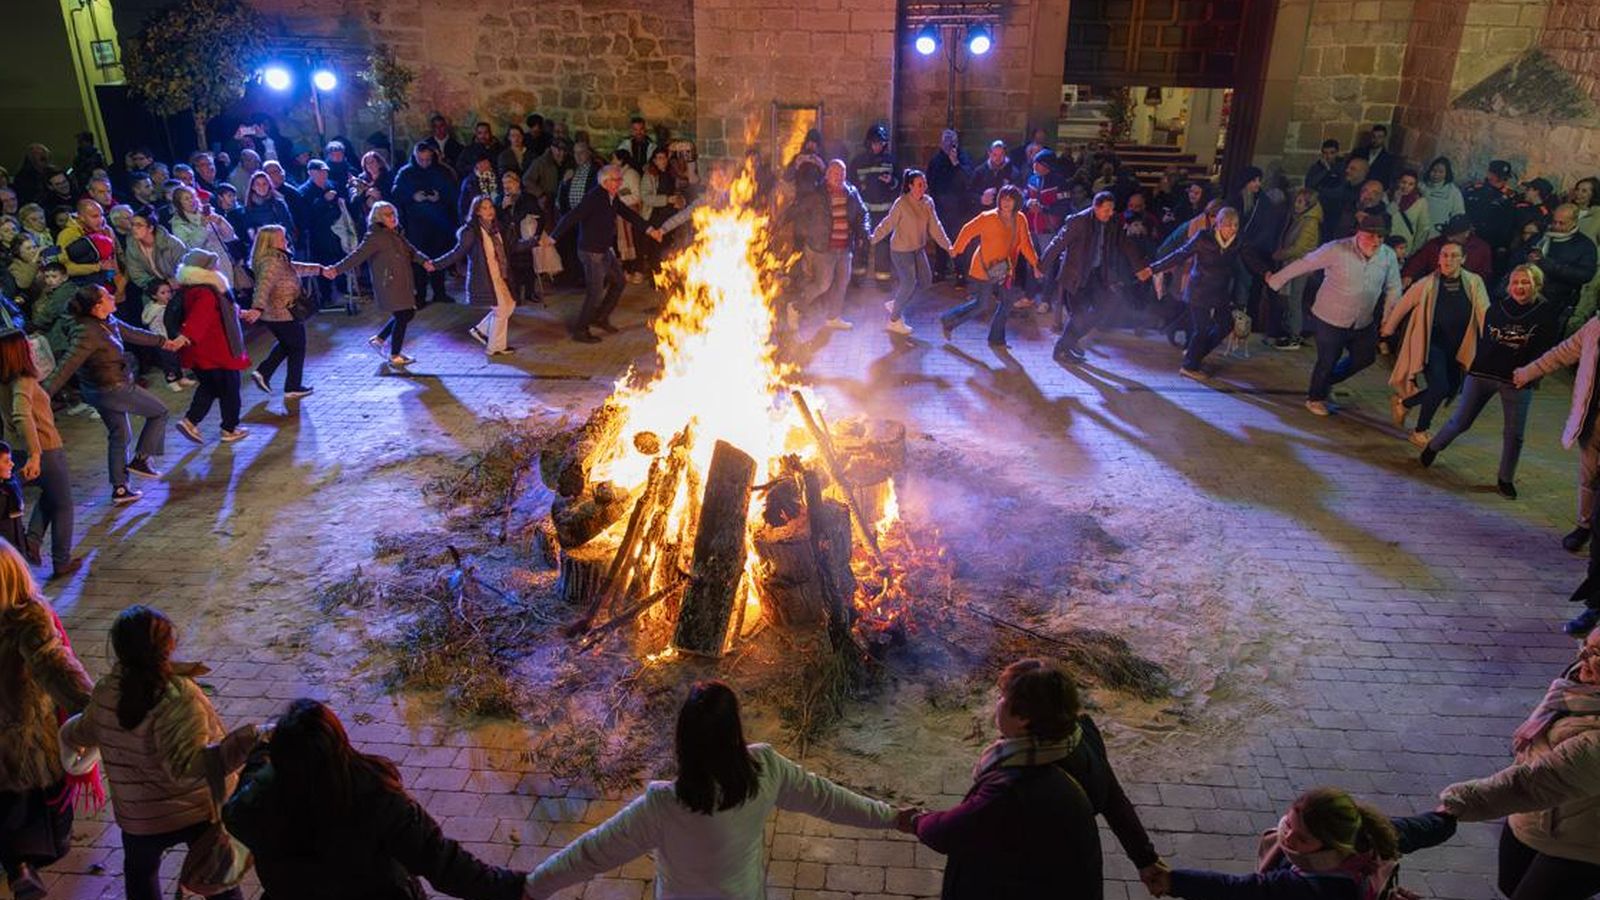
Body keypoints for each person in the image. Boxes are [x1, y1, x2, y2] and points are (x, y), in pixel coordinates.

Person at [525, 681, 906, 897]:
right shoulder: (767, 771)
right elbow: (828, 799)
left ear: (683, 741)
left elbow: (594, 851)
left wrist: (532, 887)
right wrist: (894, 819)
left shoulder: (664, 805)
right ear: (734, 733)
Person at [908, 658, 1167, 898]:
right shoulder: (1080, 736)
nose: (996, 703)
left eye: (1001, 697)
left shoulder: (1014, 786)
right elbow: (1113, 799)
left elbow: (949, 833)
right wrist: (1145, 859)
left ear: (1023, 718)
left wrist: (914, 820)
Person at [221, 698, 526, 899]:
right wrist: (512, 886)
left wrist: (262, 751)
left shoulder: (257, 801)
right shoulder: (376, 797)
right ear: (340, 743)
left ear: (282, 756)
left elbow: (235, 814)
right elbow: (441, 861)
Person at [59, 605, 260, 900]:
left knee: (141, 873)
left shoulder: (105, 692)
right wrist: (250, 741)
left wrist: (69, 736)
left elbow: (83, 732)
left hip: (139, 817)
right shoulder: (182, 694)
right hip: (197, 811)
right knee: (219, 878)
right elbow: (197, 764)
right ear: (168, 646)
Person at [1438, 627, 1600, 896]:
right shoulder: (1581, 684)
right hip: (1535, 816)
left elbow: (1533, 783)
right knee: (1510, 885)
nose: (1582, 655)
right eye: (1587, 644)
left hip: (1584, 844)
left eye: (1596, 654)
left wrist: (1458, 803)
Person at [1155, 787, 1455, 900]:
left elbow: (1238, 889)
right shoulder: (1369, 833)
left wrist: (1172, 882)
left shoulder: (1316, 885)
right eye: (1289, 823)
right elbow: (1422, 829)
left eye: (1301, 838)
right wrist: (1448, 816)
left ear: (1330, 844)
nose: (1287, 837)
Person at [1423, 264, 1564, 499]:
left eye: (1526, 282)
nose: (1519, 287)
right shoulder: (1496, 309)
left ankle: (1505, 478)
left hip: (1518, 380)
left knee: (1514, 433)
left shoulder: (1546, 315)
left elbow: (1544, 351)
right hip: (1483, 374)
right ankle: (1433, 447)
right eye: (1515, 282)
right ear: (1509, 285)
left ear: (1537, 285)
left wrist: (1530, 375)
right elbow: (1486, 343)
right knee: (1461, 421)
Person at [0, 543, 93, 897]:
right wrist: (92, 708)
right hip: (24, 733)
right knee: (31, 803)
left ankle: (18, 865)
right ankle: (25, 865)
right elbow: (56, 667)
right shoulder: (26, 617)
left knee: (8, 807)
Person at [42, 285, 175, 504]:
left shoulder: (107, 321)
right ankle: (142, 459)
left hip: (103, 388)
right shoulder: (87, 332)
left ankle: (120, 489)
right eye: (107, 296)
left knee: (120, 434)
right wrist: (42, 395)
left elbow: (132, 333)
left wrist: (162, 342)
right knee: (159, 412)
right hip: (111, 388)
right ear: (96, 306)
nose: (113, 297)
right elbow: (66, 365)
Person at [1266, 215, 1402, 416]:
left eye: (1381, 237)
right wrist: (1276, 281)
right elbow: (1305, 263)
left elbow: (1394, 287)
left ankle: (1327, 381)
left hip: (1363, 321)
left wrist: (1388, 319)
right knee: (1328, 359)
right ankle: (1315, 398)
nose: (1377, 241)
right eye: (1371, 236)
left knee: (1365, 357)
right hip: (1330, 318)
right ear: (1359, 233)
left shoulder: (1387, 255)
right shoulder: (1337, 249)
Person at [1514, 315, 1600, 633]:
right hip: (1592, 423)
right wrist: (1527, 372)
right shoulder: (1596, 327)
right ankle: (1583, 526)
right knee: (1587, 480)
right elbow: (1564, 351)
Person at [1381, 241, 1490, 448]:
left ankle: (1404, 403)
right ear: (1439, 258)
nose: (1448, 260)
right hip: (1432, 345)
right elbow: (1404, 304)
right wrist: (1388, 328)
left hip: (1457, 347)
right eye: (1444, 255)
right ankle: (1420, 431)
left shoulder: (1474, 282)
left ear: (1463, 259)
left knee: (1451, 390)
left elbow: (1484, 311)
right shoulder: (1427, 283)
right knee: (1439, 387)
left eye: (1454, 256)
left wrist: (1491, 338)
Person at [1139, 207, 1260, 377]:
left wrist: (1268, 274)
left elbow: (1252, 259)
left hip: (1220, 291)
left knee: (1225, 324)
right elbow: (1179, 254)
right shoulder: (1203, 237)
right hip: (1199, 290)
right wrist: (1153, 268)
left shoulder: (1238, 241)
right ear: (1218, 225)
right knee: (1201, 328)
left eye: (1235, 225)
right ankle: (1189, 366)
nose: (1232, 229)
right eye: (1228, 225)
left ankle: (1195, 355)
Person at [544, 164, 657, 342]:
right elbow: (572, 216)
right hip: (591, 252)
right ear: (605, 181)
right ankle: (581, 330)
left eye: (620, 179)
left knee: (619, 281)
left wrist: (649, 229)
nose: (620, 182)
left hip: (604, 250)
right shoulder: (594, 198)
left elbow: (627, 213)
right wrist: (553, 237)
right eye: (616, 179)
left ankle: (600, 317)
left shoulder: (612, 196)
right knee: (595, 292)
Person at [0, 329, 77, 579]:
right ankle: (61, 561)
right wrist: (35, 453)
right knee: (64, 503)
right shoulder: (23, 381)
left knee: (50, 494)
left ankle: (32, 540)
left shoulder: (4, 380)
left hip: (18, 449)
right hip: (44, 449)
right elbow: (21, 415)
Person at [326, 201, 433, 367]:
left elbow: (410, 250)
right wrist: (336, 269)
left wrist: (424, 261)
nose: (392, 217)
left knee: (407, 313)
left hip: (402, 280)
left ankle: (379, 339)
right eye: (387, 215)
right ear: (378, 218)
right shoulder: (375, 237)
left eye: (393, 214)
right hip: (389, 283)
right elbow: (356, 256)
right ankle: (394, 354)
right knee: (403, 315)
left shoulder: (395, 232)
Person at [1045, 191, 1148, 362]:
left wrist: (1140, 268)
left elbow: (1125, 244)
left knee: (1103, 308)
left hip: (1097, 274)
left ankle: (1070, 341)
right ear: (1095, 207)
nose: (1110, 213)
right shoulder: (1079, 221)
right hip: (1076, 275)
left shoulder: (1113, 222)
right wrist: (1041, 266)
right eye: (1106, 209)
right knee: (1079, 315)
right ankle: (1062, 349)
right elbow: (1058, 243)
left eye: (1112, 209)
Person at [170, 249, 258, 444]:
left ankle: (190, 421)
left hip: (202, 352)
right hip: (217, 350)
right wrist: (186, 337)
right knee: (230, 388)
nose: (218, 267)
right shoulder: (206, 292)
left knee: (210, 387)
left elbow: (218, 312)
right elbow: (199, 319)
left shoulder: (191, 289)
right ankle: (229, 428)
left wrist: (238, 313)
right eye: (214, 264)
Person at [940, 185, 1040, 347]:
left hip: (1004, 269)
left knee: (1007, 302)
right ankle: (948, 319)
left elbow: (1025, 244)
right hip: (984, 268)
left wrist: (1035, 264)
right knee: (981, 304)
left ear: (1017, 201)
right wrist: (957, 249)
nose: (1006, 202)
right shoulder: (988, 217)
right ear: (999, 200)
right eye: (1003, 199)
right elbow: (968, 230)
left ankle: (996, 338)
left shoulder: (1020, 219)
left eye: (1010, 199)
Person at [433, 195, 520, 357]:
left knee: (510, 305)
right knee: (501, 310)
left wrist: (534, 242)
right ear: (477, 212)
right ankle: (494, 348)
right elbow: (457, 253)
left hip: (500, 274)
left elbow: (512, 246)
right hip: (485, 277)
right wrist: (436, 264)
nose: (489, 211)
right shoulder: (472, 231)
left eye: (491, 207)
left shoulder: (496, 228)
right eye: (484, 208)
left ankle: (481, 331)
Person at [868, 168, 952, 335]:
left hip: (918, 249)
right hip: (900, 250)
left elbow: (936, 226)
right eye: (920, 185)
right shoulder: (901, 203)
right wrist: (873, 238)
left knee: (926, 281)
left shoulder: (928, 202)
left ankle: (897, 302)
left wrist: (948, 246)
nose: (924, 187)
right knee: (909, 282)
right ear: (910, 186)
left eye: (924, 184)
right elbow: (888, 223)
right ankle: (893, 320)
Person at [247, 225, 320, 398]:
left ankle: (263, 373)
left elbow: (295, 268)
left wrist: (320, 270)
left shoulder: (278, 259)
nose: (286, 241)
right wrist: (257, 308)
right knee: (297, 346)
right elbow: (263, 287)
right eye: (281, 239)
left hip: (280, 312)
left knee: (288, 344)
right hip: (281, 312)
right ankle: (292, 386)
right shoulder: (272, 262)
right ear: (270, 243)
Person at [391, 143, 458, 305]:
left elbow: (452, 193)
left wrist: (439, 196)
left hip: (438, 224)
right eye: (421, 160)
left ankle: (439, 292)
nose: (425, 163)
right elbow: (396, 194)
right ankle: (419, 295)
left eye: (428, 159)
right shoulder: (406, 173)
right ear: (415, 157)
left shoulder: (442, 171)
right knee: (418, 261)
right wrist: (413, 197)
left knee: (439, 258)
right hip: (416, 225)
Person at [1516, 204, 1598, 329]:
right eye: (1554, 222)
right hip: (1526, 296)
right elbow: (1517, 255)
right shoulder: (1541, 237)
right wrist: (1527, 259)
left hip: (1556, 302)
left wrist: (1550, 265)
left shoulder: (1584, 245)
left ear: (1574, 222)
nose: (1556, 226)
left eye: (1562, 223)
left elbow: (1585, 275)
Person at [1268, 187, 1324, 349]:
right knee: (1291, 299)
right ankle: (1291, 331)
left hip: (1299, 266)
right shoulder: (1301, 218)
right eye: (1297, 201)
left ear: (1308, 204)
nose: (1296, 204)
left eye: (1300, 202)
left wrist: (1279, 254)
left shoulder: (1310, 222)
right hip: (1294, 264)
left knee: (1294, 299)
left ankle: (1295, 335)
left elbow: (1300, 248)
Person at [927, 129, 972, 283]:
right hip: (941, 208)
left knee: (958, 240)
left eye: (952, 141)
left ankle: (960, 273)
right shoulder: (935, 160)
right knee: (940, 239)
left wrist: (956, 163)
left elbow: (968, 180)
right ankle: (940, 270)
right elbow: (930, 182)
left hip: (959, 209)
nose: (948, 144)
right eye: (945, 141)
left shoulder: (963, 158)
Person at [1405, 214, 1494, 286]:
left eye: (1454, 234)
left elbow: (1484, 274)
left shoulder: (1481, 248)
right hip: (1435, 287)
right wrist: (1408, 274)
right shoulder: (1435, 244)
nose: (1450, 238)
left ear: (1466, 233)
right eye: (1449, 234)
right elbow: (1418, 260)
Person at [1465, 160, 1520, 273]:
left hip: (1495, 244)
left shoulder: (1511, 196)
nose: (1501, 180)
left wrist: (1504, 245)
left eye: (1505, 178)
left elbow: (1509, 223)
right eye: (1498, 176)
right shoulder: (1474, 190)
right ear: (1490, 174)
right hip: (1473, 238)